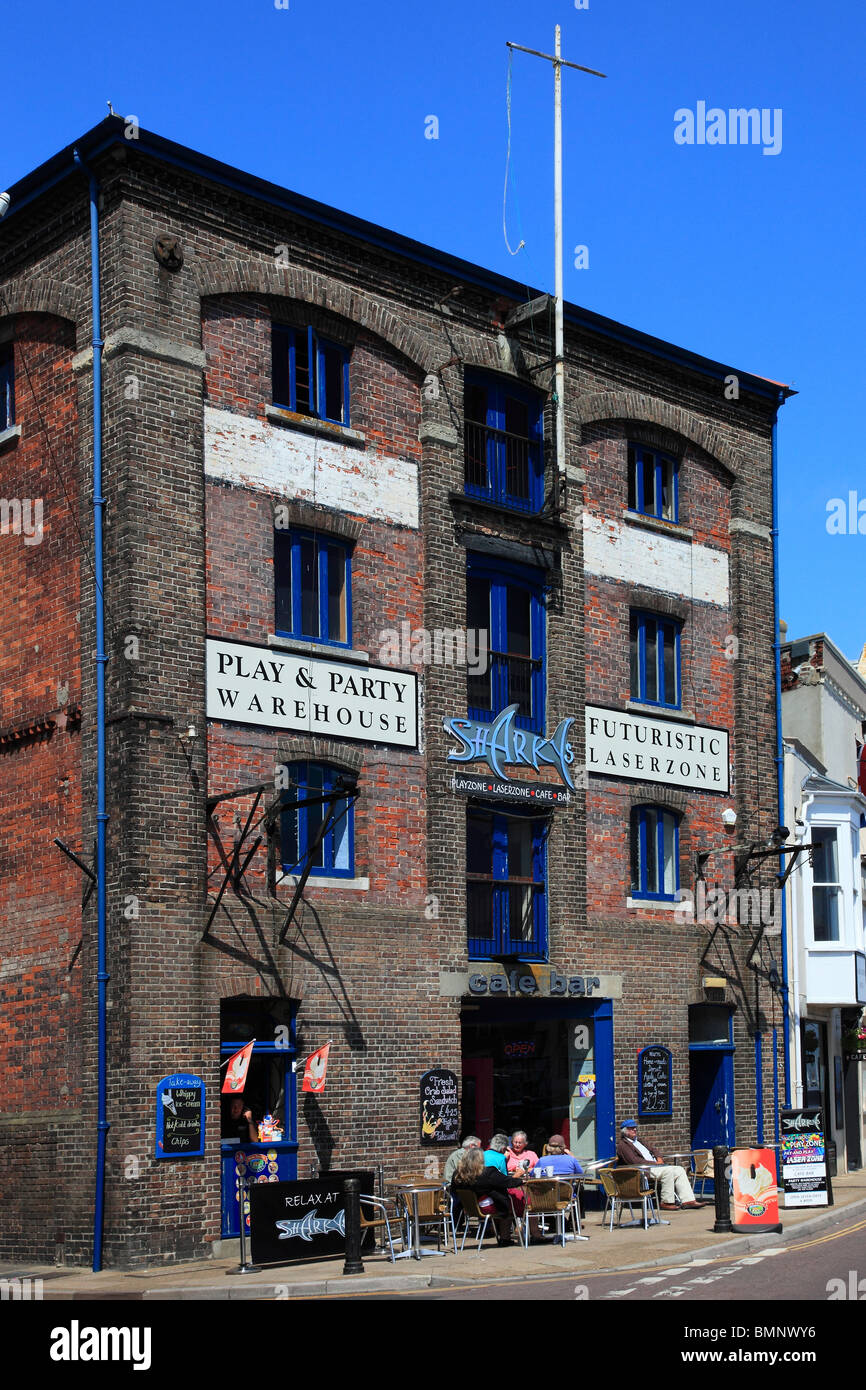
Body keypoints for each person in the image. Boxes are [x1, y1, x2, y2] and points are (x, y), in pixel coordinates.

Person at [616, 1119, 703, 1210]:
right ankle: (666, 1202)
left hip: (656, 1166)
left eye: (635, 1128)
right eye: (631, 1128)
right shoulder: (623, 1145)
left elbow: (654, 1150)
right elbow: (634, 1161)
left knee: (679, 1169)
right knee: (668, 1171)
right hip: (644, 1170)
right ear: (625, 1131)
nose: (634, 1130)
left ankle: (688, 1201)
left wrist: (659, 1158)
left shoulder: (639, 1141)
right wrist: (655, 1163)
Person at [451, 1147, 525, 1246]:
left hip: (468, 1207)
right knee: (510, 1203)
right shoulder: (487, 1172)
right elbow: (506, 1182)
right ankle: (505, 1237)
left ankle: (500, 1234)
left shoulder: (457, 1174)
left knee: (502, 1199)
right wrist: (522, 1181)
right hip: (485, 1207)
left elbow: (453, 1191)